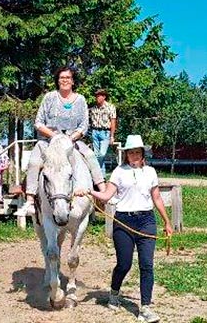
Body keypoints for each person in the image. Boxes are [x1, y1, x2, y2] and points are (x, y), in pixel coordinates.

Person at [74, 135, 173, 323]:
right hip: (123, 221)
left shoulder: (151, 172)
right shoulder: (119, 172)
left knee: (147, 265)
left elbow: (157, 197)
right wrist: (88, 191)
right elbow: (106, 196)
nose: (134, 155)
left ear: (143, 154)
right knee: (124, 264)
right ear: (126, 155)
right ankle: (114, 292)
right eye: (131, 152)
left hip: (146, 221)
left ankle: (145, 308)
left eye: (137, 152)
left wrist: (166, 222)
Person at [17, 66, 105, 216]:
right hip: (48, 140)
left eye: (68, 78)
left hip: (72, 141)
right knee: (33, 162)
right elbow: (38, 122)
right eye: (61, 78)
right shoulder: (50, 97)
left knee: (90, 155)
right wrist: (54, 136)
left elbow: (84, 125)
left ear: (73, 81)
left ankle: (104, 194)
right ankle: (30, 201)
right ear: (57, 81)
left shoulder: (81, 100)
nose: (65, 80)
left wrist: (70, 138)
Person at [89, 89, 117, 176]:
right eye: (96, 96)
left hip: (105, 133)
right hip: (95, 132)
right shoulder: (93, 108)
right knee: (97, 154)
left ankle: (95, 173)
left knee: (101, 154)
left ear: (104, 97)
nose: (97, 98)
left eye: (99, 96)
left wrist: (112, 136)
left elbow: (113, 122)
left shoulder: (110, 107)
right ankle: (102, 176)